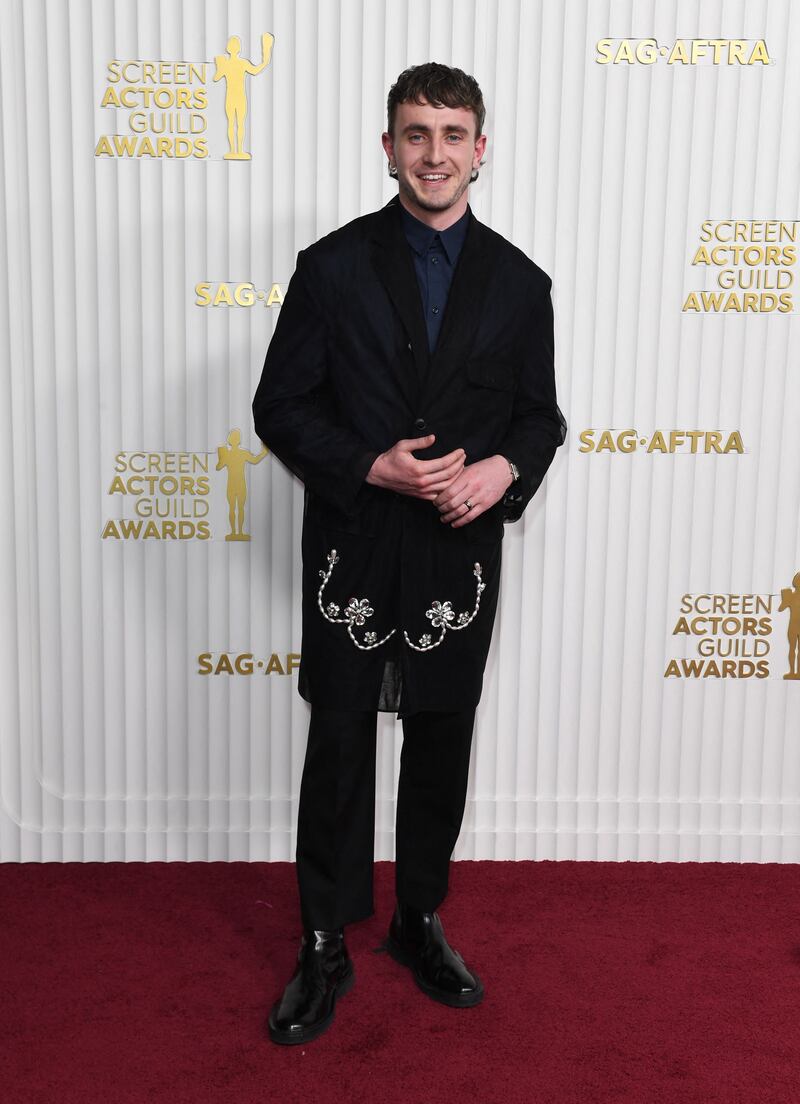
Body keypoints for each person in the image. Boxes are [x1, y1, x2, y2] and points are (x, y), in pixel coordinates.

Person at [252, 62, 566, 1046]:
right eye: (415, 133)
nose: (434, 153)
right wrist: (368, 466)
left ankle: (418, 918)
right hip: (353, 544)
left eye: (452, 133)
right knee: (338, 741)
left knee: (441, 739)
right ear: (387, 146)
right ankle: (321, 938)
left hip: (455, 556)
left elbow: (539, 418)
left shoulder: (520, 284)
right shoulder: (331, 267)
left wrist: (503, 470)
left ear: (482, 148)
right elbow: (280, 407)